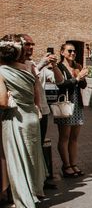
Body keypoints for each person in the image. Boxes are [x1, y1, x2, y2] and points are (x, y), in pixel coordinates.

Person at [0, 35, 47, 208]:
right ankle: (34, 193)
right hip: (31, 117)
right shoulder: (27, 70)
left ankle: (24, 201)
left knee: (17, 159)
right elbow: (36, 94)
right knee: (31, 156)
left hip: (14, 118)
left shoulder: (2, 71)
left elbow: (3, 101)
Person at [22, 34, 56, 189]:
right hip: (26, 112)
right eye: (27, 44)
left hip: (42, 109)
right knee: (28, 147)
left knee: (40, 145)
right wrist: (41, 64)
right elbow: (25, 81)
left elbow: (58, 80)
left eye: (32, 44)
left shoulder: (32, 64)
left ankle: (41, 178)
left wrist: (54, 66)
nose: (30, 48)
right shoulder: (16, 66)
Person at [54, 42, 88, 178]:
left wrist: (82, 76)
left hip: (77, 104)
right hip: (65, 105)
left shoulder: (77, 66)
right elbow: (62, 84)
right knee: (64, 137)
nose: (73, 53)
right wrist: (77, 77)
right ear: (62, 52)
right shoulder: (59, 67)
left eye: (74, 51)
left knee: (74, 137)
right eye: (69, 51)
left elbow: (84, 86)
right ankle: (66, 165)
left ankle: (73, 164)